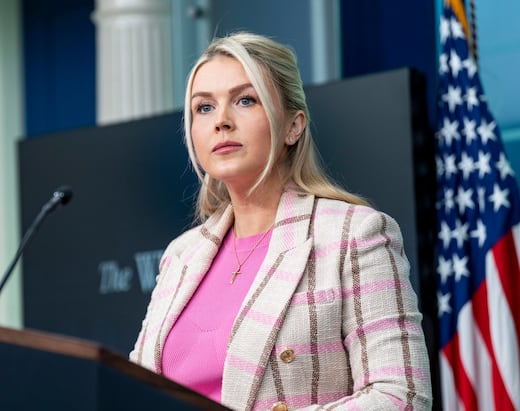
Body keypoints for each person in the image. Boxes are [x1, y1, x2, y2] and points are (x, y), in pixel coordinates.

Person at [130, 32, 432, 410]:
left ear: (293, 125)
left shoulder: (355, 234)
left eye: (245, 100)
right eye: (204, 107)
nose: (221, 121)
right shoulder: (181, 255)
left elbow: (402, 397)